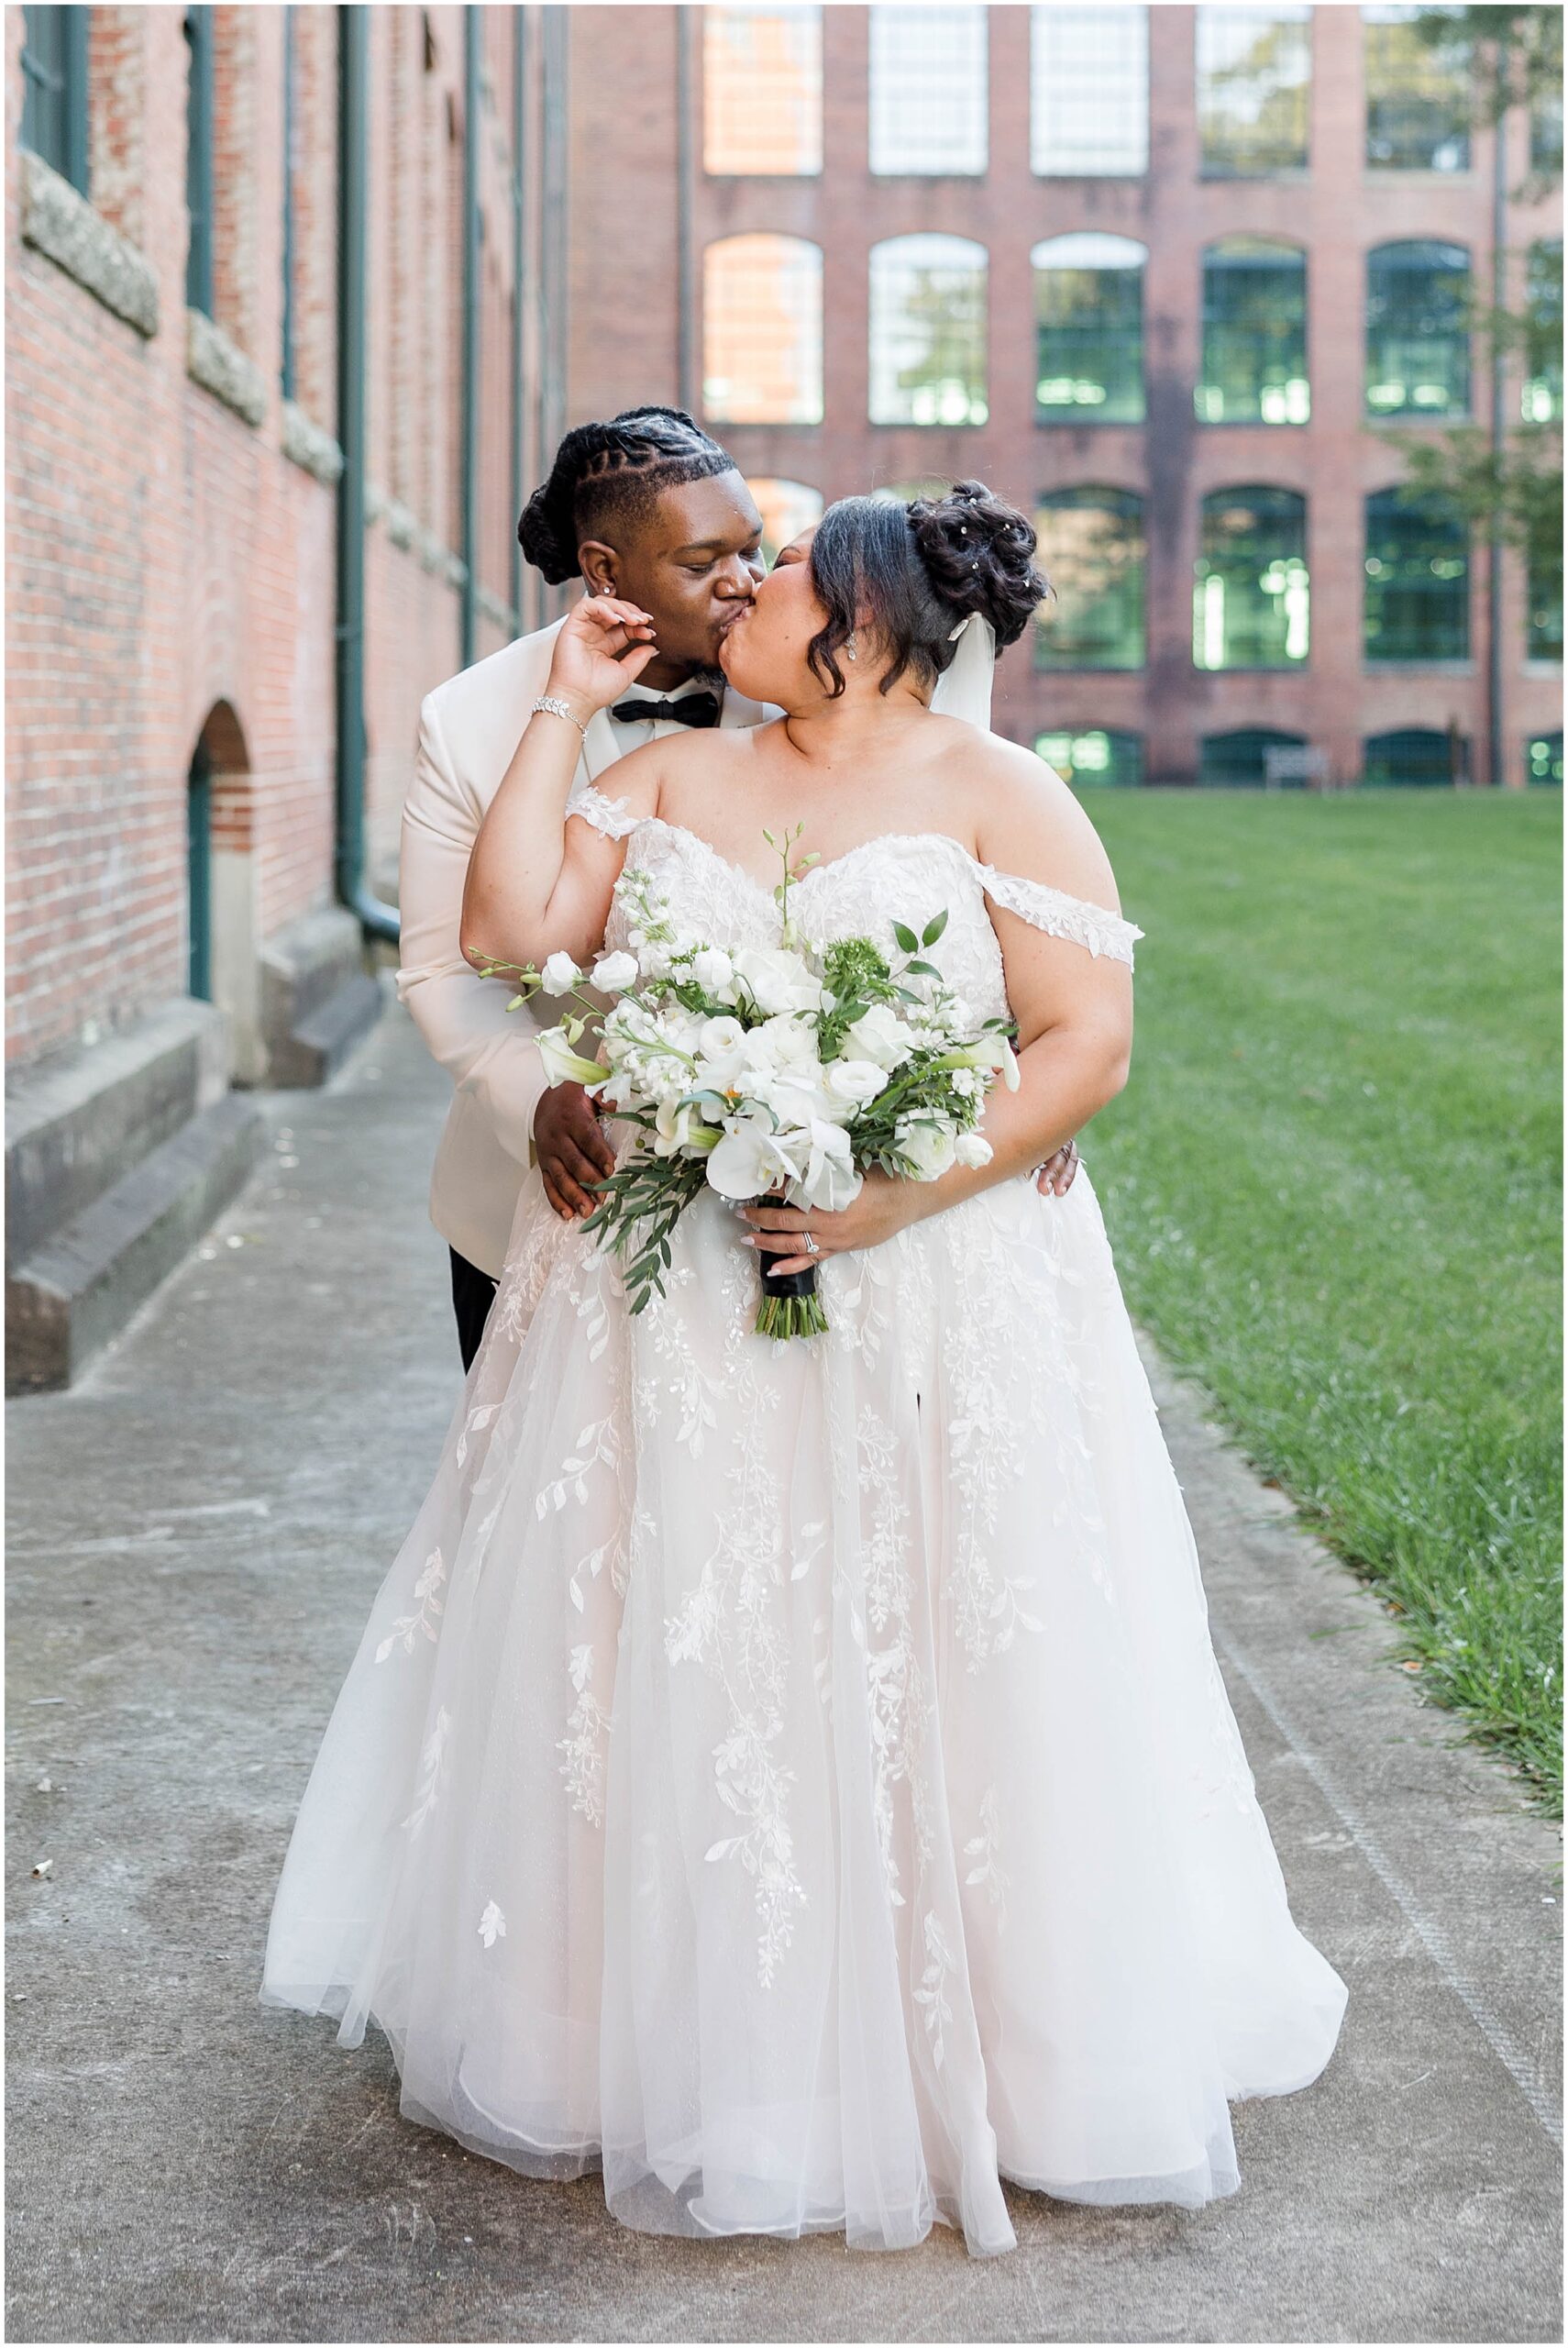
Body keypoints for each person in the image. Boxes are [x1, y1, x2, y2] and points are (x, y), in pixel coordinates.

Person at [263, 482, 1345, 2257]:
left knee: (940, 1620)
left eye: (784, 576)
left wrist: (887, 1193)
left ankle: (992, 2042)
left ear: (864, 620)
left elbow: (1088, 1041)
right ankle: (669, 2033)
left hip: (930, 1282)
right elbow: (526, 931)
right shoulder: (678, 769)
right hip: (672, 1293)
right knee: (699, 1627)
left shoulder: (1009, 796)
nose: (747, 589)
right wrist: (568, 703)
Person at [397, 406, 1077, 1372]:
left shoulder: (816, 649)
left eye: (756, 550)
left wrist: (998, 1102)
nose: (745, 583)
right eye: (701, 561)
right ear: (604, 572)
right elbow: (446, 963)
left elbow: (964, 885)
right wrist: (539, 1097)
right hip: (554, 1195)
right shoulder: (470, 721)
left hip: (831, 1212)